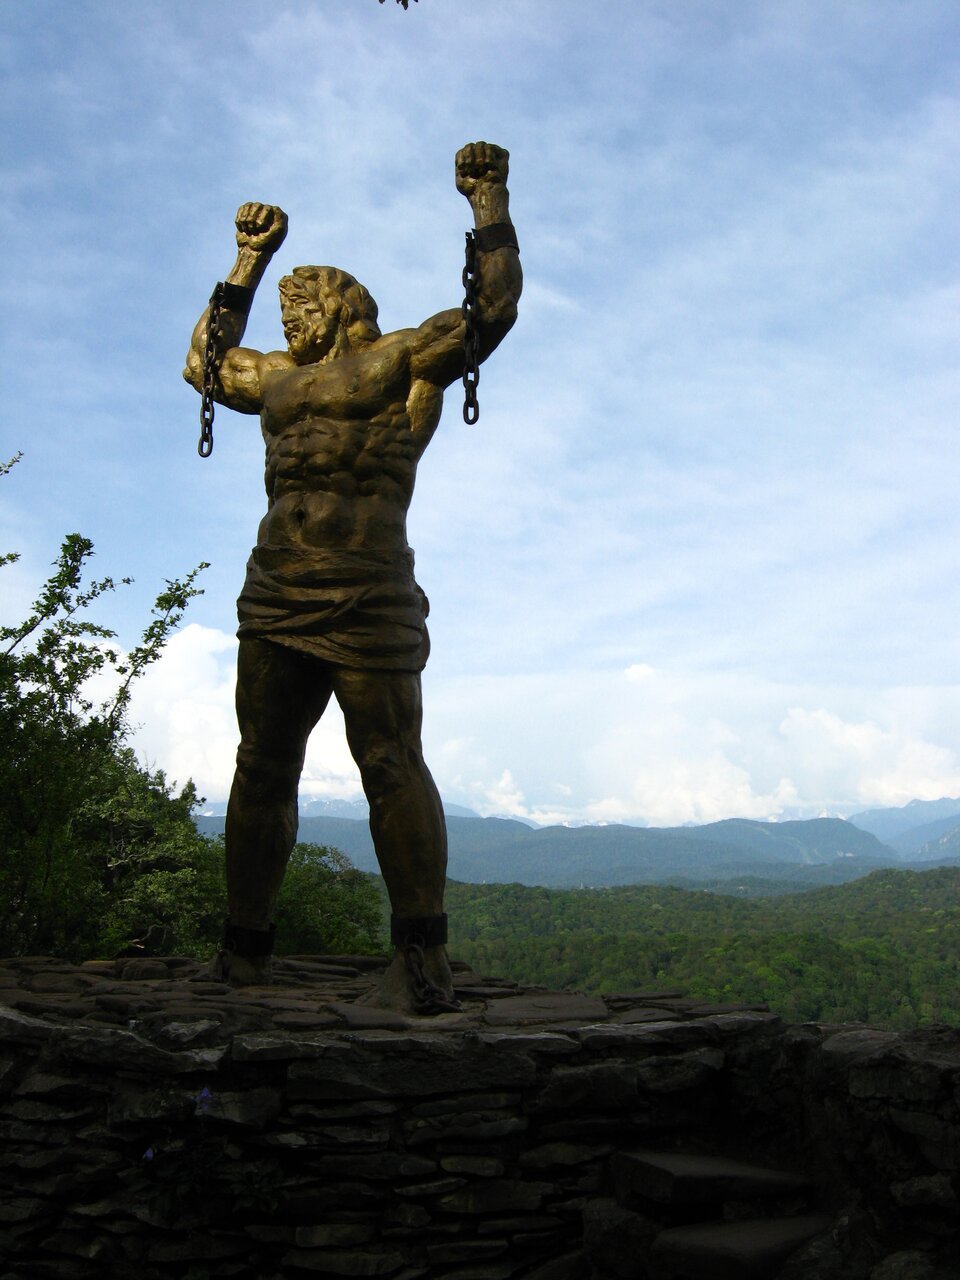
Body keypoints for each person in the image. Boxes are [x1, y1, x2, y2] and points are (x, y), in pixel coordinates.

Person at [183, 142, 521, 1012]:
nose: (290, 321)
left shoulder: (403, 359)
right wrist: (247, 263)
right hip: (277, 584)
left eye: (301, 303)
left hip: (368, 583)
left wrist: (489, 203)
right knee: (261, 765)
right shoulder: (278, 379)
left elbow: (495, 311)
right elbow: (205, 363)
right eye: (284, 307)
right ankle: (244, 947)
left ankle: (420, 957)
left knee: (389, 760)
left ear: (337, 307)